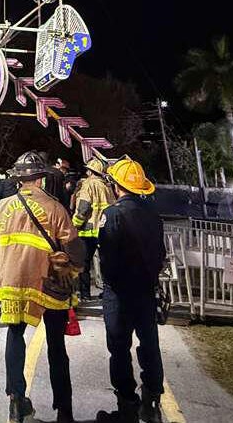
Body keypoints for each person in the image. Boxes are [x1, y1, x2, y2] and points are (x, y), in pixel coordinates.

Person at [0, 151, 84, 423]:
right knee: (56, 347)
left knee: (15, 337)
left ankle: (16, 402)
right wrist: (74, 269)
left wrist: (5, 263)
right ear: (40, 180)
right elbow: (74, 247)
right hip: (48, 284)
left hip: (12, 283)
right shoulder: (54, 208)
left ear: (18, 180)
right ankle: (64, 410)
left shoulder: (3, 206)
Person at [92, 157, 166, 423]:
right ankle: (152, 402)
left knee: (120, 348)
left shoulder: (112, 215)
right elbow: (161, 254)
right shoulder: (154, 216)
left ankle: (127, 407)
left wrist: (111, 284)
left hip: (119, 293)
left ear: (115, 186)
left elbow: (108, 257)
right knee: (149, 345)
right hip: (146, 290)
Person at [70, 159, 115, 299]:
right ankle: (108, 291)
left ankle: (85, 293)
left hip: (88, 230)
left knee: (84, 263)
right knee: (106, 261)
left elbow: (83, 207)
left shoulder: (87, 185)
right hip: (104, 230)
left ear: (90, 171)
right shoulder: (107, 186)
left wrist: (74, 225)